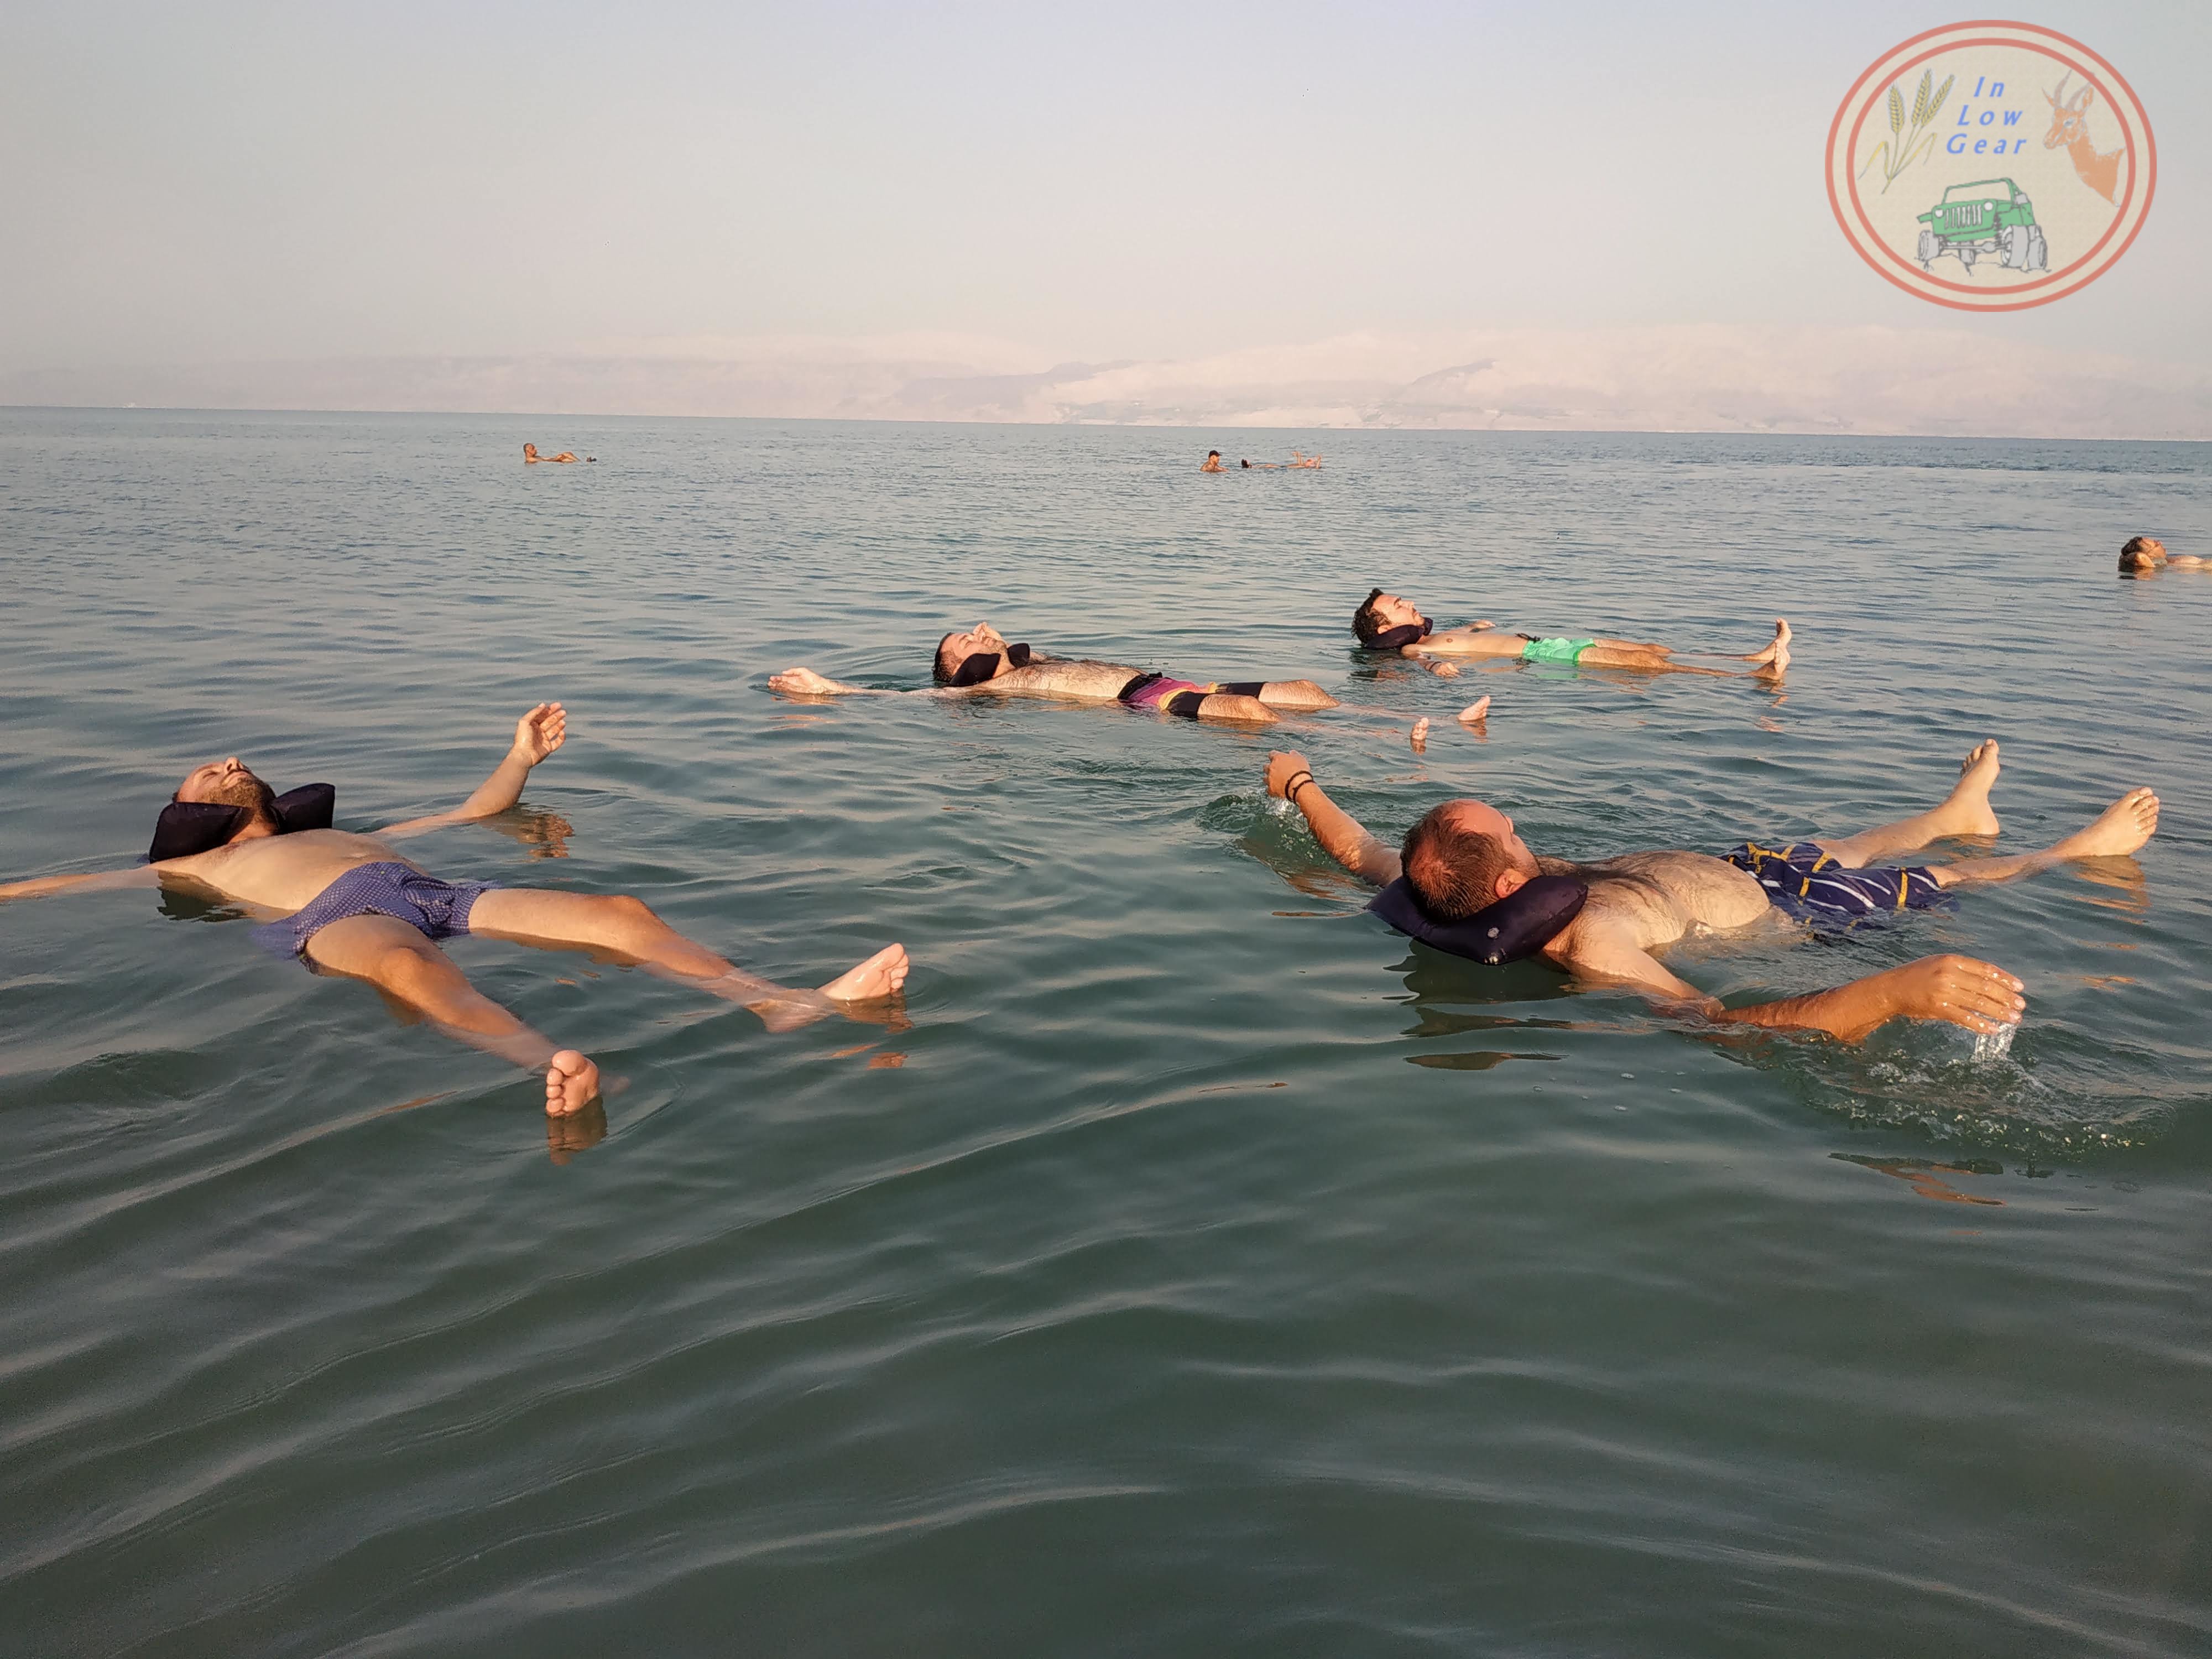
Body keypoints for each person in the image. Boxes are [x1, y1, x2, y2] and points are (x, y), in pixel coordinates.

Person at [0, 705, 910, 1117]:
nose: (229, 762)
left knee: (618, 912)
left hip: (434, 886)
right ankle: (551, 1065)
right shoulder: (198, 866)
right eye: (207, 772)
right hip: (332, 915)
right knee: (408, 972)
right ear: (185, 814)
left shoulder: (361, 827)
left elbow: (473, 812)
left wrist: (521, 759)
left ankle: (777, 1000)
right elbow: (51, 889)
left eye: (231, 761)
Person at [1262, 738, 2160, 1041]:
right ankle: (2077, 848)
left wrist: (1299, 781)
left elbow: (1357, 850)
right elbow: (1716, 1027)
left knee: (1844, 843)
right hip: (1791, 918)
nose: (1524, 827)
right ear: (1501, 877)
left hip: (1733, 869)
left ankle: (1956, 809)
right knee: (1939, 877)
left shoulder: (1429, 878)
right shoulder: (1589, 943)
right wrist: (1891, 993)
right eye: (1512, 829)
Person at [769, 620, 1340, 726]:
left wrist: (996, 637)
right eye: (966, 640)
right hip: (1151, 705)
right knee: (1249, 713)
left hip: (1182, 682)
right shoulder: (990, 688)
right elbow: (914, 699)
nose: (980, 631)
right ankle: (1366, 739)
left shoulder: (1032, 661)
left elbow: (1018, 644)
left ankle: (1392, 724)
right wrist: (830, 689)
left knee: (1307, 692)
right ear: (964, 667)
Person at [1352, 588, 1790, 679]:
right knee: (1651, 666)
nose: (1408, 602)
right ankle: (1761, 676)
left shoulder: (1435, 633)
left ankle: (1750, 658)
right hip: (1551, 659)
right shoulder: (1413, 647)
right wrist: (1438, 666)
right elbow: (1421, 660)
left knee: (1654, 649)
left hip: (1556, 645)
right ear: (1386, 627)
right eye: (1397, 605)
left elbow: (1461, 636)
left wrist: (1476, 626)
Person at [2117, 535, 2206, 575]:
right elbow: (2139, 557)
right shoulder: (2151, 566)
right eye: (2156, 544)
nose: (2160, 543)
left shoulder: (2166, 562)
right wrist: (2124, 557)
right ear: (2150, 555)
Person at [523, 443, 592, 463]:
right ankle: (582, 463)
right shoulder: (531, 460)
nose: (536, 450)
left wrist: (557, 457)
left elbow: (546, 458)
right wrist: (557, 459)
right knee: (567, 455)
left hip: (553, 461)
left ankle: (582, 462)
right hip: (553, 463)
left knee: (567, 455)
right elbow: (545, 461)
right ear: (528, 451)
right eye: (533, 449)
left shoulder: (536, 457)